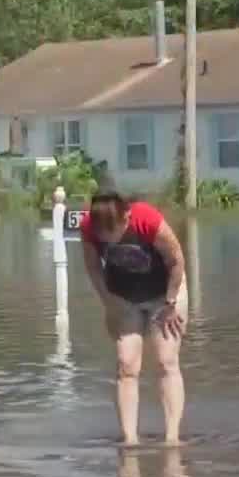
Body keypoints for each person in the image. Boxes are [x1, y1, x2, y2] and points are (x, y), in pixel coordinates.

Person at [79, 184, 188, 447]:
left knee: (166, 361)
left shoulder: (147, 219)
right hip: (122, 296)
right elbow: (93, 268)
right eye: (101, 234)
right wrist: (108, 302)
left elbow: (176, 261)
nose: (107, 239)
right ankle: (130, 440)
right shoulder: (88, 227)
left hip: (165, 293)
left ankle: (172, 438)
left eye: (112, 232)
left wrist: (171, 302)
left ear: (126, 217)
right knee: (126, 364)